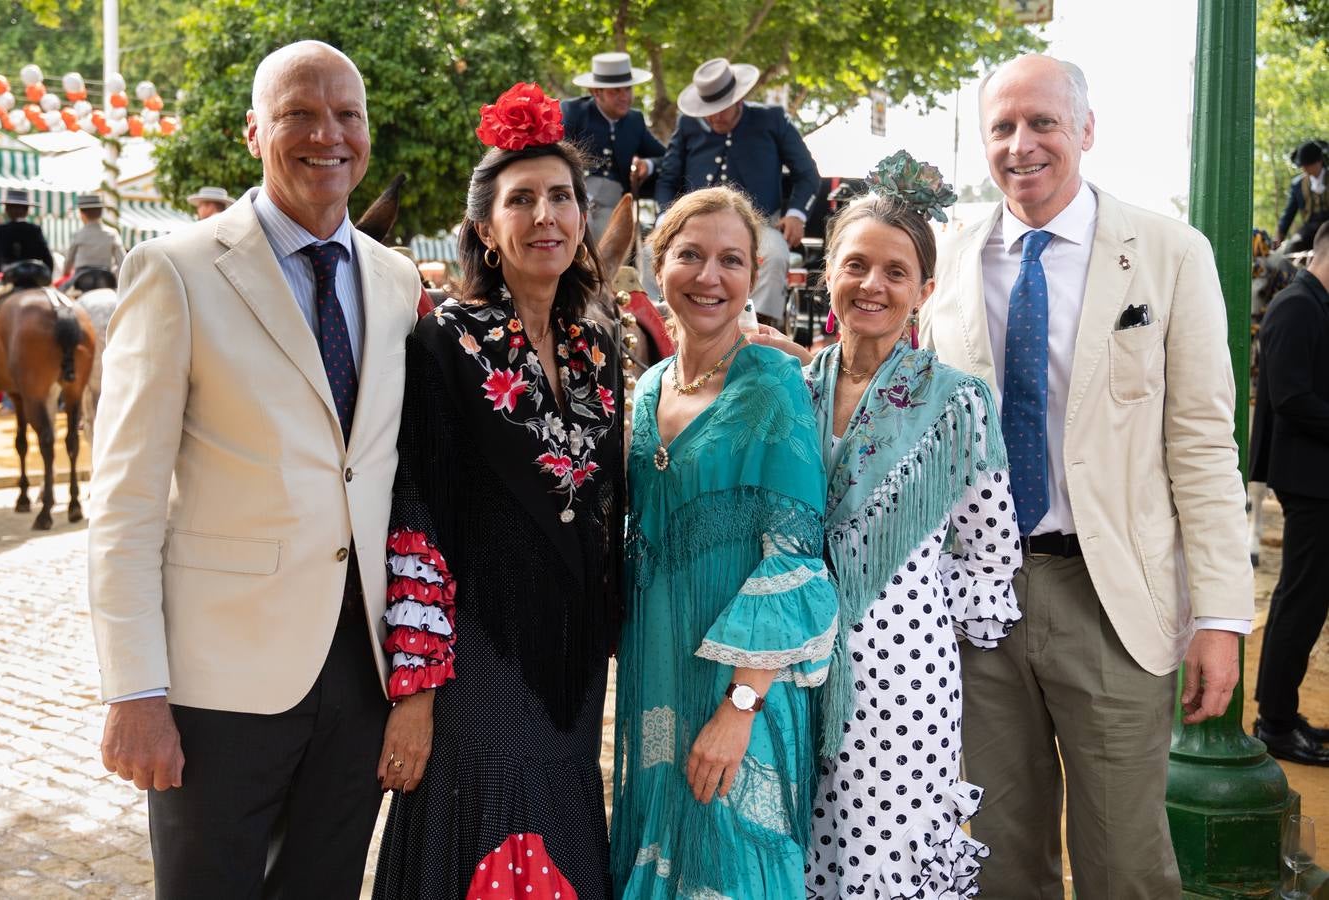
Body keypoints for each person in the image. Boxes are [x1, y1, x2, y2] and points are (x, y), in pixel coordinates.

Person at [88, 41, 422, 897]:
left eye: (346, 115)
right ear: (253, 132)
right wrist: (136, 691)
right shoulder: (176, 272)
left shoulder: (396, 282)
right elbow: (124, 503)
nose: (327, 135)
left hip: (360, 674)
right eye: (298, 115)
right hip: (215, 686)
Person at [920, 54, 1253, 896]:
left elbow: (1206, 445)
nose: (1021, 145)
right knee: (997, 852)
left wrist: (1219, 614)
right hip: (977, 607)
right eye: (1002, 127)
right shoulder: (952, 261)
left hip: (1112, 602)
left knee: (1124, 861)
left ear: (1086, 131)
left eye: (1043, 123)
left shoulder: (1171, 253)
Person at [372, 82, 623, 900]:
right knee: (480, 825)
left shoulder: (597, 346)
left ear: (583, 219)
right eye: (523, 199)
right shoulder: (443, 339)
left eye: (561, 197)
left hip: (575, 663)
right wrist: (416, 691)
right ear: (486, 227)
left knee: (562, 820)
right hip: (481, 653)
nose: (546, 215)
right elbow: (415, 511)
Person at [799, 153, 1021, 898]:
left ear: (924, 290)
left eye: (896, 272)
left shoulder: (957, 402)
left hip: (901, 683)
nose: (873, 285)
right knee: (800, 852)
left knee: (883, 858)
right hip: (787, 671)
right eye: (856, 264)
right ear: (828, 272)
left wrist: (900, 600)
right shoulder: (791, 390)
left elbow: (991, 554)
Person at [610, 186, 838, 899]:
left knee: (736, 860)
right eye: (691, 255)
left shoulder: (773, 383)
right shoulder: (647, 389)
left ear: (753, 275)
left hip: (743, 690)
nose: (710, 276)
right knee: (663, 843)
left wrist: (739, 709)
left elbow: (797, 557)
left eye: (731, 260)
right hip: (657, 676)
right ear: (657, 265)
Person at [655, 58, 820, 329]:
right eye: (709, 110)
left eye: (722, 109)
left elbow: (807, 174)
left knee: (775, 256)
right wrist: (664, 221)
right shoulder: (688, 126)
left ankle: (759, 335)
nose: (715, 117)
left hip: (759, 226)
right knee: (653, 251)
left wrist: (796, 214)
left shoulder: (772, 120)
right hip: (693, 227)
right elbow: (667, 180)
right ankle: (664, 332)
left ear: (740, 99)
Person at [1252, 222, 1329, 765]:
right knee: (1299, 603)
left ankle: (1283, 713)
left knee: (1306, 602)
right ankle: (1275, 723)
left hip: (1316, 476)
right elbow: (1292, 396)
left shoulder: (1313, 304)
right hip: (1308, 481)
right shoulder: (1297, 306)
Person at [563, 51, 665, 241]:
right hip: (574, 195)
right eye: (615, 91)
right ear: (596, 92)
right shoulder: (573, 112)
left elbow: (667, 157)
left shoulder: (635, 121)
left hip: (615, 202)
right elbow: (558, 155)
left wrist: (648, 165)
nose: (624, 96)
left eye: (627, 89)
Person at [1275, 140, 1329, 251]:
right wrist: (1280, 234)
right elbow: (1289, 212)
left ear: (1318, 161)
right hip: (1310, 228)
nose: (1304, 168)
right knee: (1292, 246)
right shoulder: (1298, 185)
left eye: (1307, 165)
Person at [0, 187, 53, 276]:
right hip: (33, 275)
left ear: (6, 210)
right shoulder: (35, 229)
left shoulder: (1, 230)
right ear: (26, 211)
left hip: (9, 275)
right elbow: (47, 258)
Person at [62, 193, 125, 278]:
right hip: (106, 279)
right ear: (100, 212)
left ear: (82, 214)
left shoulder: (78, 235)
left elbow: (69, 261)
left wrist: (65, 273)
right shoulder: (113, 234)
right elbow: (122, 261)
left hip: (82, 280)